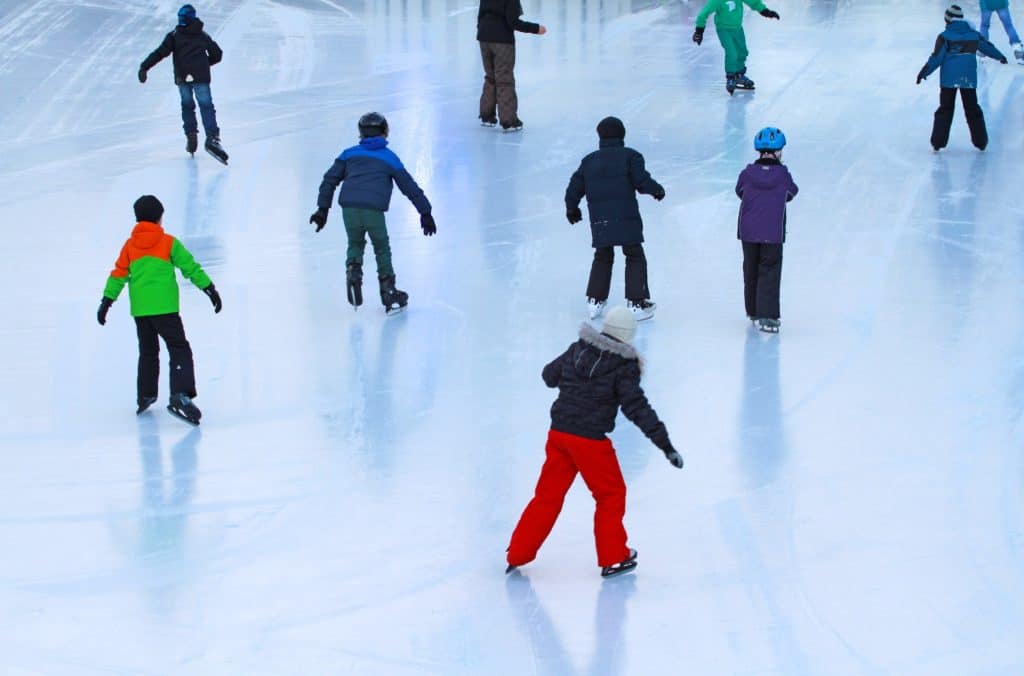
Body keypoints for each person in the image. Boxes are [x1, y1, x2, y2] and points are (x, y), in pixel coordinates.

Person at [505, 307, 684, 579]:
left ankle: (517, 553)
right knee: (611, 495)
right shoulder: (623, 366)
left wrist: (572, 379)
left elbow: (548, 376)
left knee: (547, 497)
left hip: (559, 435)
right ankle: (614, 557)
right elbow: (637, 409)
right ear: (628, 335)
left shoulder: (578, 349)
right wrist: (666, 445)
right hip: (589, 442)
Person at [97, 195, 222, 425]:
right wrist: (209, 288)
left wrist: (106, 301)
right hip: (165, 309)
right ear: (159, 217)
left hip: (142, 311)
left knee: (148, 351)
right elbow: (189, 267)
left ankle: (145, 394)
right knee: (178, 347)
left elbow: (118, 274)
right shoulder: (168, 242)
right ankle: (180, 394)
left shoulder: (130, 245)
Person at [309, 112, 436, 315]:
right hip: (373, 211)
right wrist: (425, 212)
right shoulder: (389, 158)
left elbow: (329, 180)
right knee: (381, 248)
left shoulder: (348, 154)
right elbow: (409, 187)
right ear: (384, 132)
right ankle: (388, 291)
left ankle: (353, 270)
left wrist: (322, 209)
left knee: (355, 243)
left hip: (349, 208)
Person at [565, 117, 665, 321]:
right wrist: (657, 190)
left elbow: (574, 187)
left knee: (603, 255)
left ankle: (594, 301)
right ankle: (637, 303)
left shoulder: (589, 161)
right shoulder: (631, 156)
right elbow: (641, 180)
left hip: (600, 220)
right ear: (622, 135)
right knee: (634, 254)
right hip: (626, 217)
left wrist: (572, 208)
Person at [138, 4, 228, 164]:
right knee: (206, 106)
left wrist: (144, 67)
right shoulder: (201, 35)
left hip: (183, 77)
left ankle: (191, 135)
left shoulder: (174, 36)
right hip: (200, 77)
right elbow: (217, 54)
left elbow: (160, 53)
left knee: (187, 106)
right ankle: (212, 137)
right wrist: (204, 65)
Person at [917, 4, 1007, 152]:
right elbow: (987, 47)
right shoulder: (973, 35)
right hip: (968, 79)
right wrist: (1000, 56)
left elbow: (937, 58)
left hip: (948, 81)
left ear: (948, 20)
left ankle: (938, 142)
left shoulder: (944, 36)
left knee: (945, 109)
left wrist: (924, 72)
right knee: (972, 109)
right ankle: (981, 142)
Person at [735, 127, 799, 334]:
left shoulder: (747, 173)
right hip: (772, 232)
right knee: (769, 271)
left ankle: (753, 311)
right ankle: (768, 317)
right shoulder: (782, 175)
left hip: (748, 231)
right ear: (778, 151)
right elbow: (792, 192)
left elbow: (739, 191)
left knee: (751, 268)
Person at [476, 0, 547, 131]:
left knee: (490, 77)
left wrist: (483, 31)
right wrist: (536, 28)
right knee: (504, 79)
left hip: (484, 37)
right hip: (502, 41)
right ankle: (509, 121)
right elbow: (513, 22)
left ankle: (486, 116)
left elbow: (480, 15)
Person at [692, 0, 780, 95]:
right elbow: (704, 12)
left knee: (742, 52)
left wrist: (766, 11)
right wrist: (699, 31)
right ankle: (730, 77)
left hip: (737, 28)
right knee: (731, 52)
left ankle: (739, 75)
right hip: (723, 29)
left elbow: (754, 2)